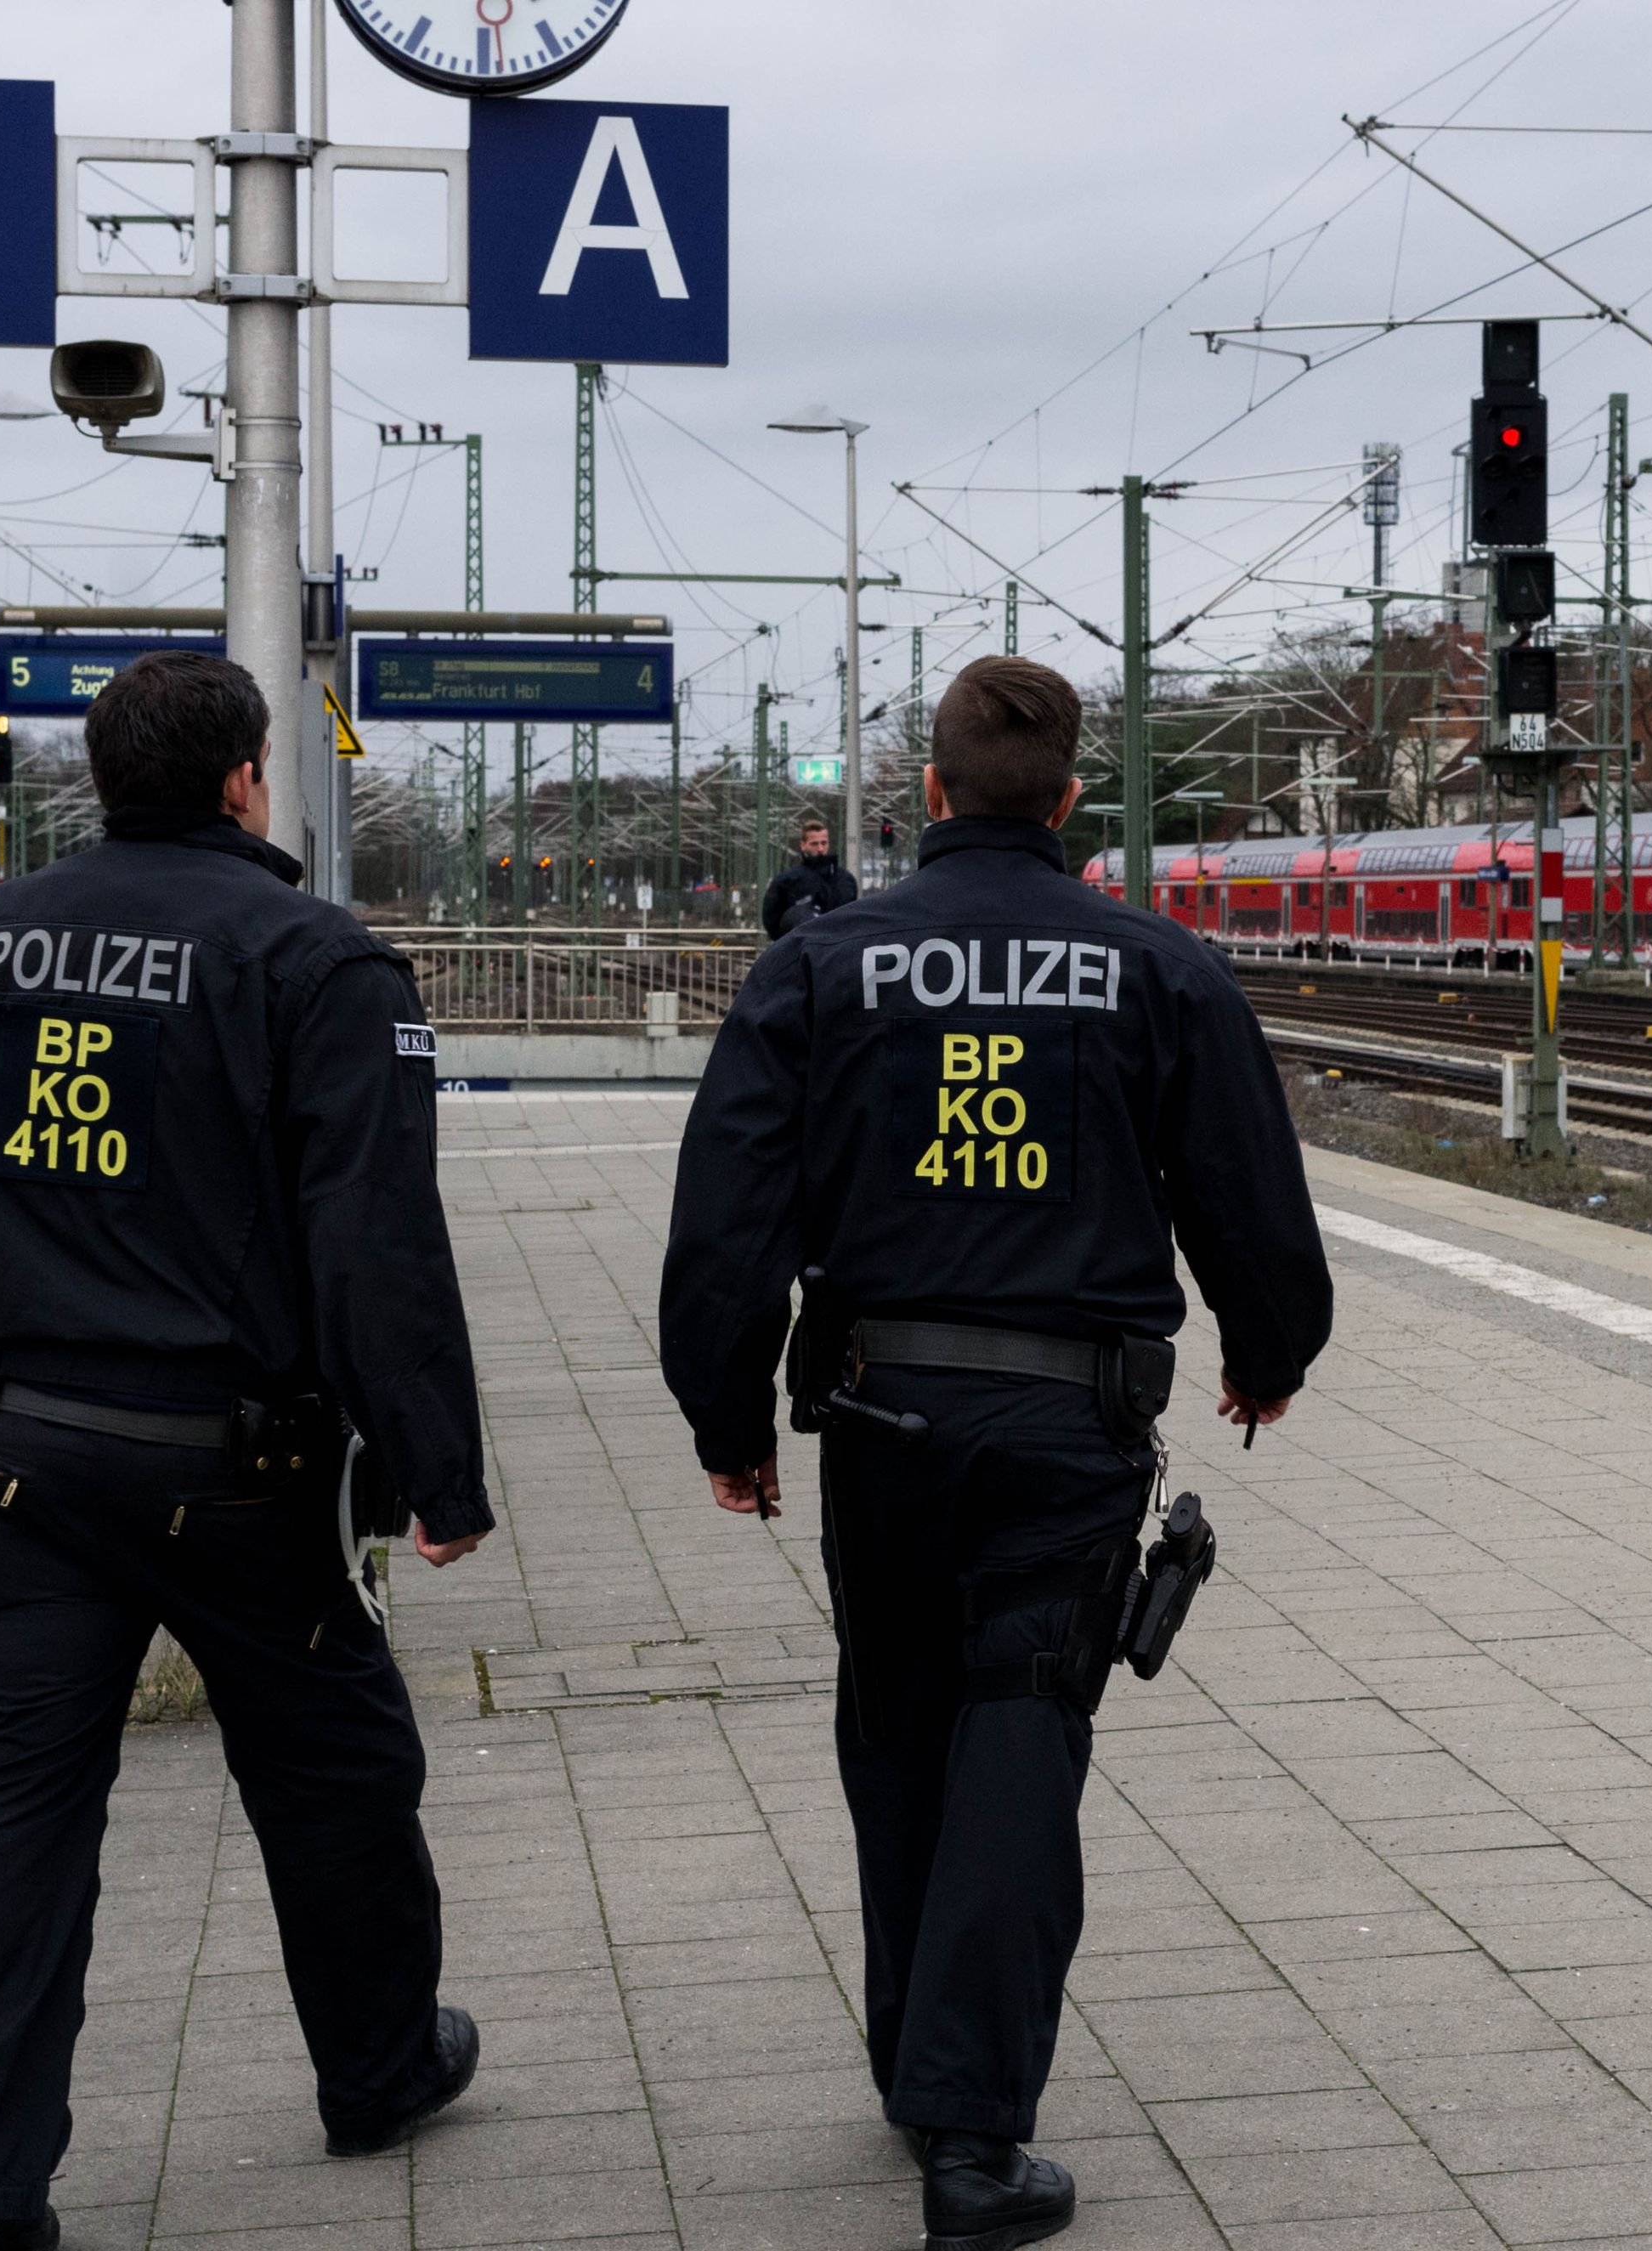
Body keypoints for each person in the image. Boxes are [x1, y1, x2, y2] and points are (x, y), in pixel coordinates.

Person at [660, 654, 1332, 2250]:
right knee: (1021, 1731)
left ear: (929, 793)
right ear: (1072, 801)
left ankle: (921, 2060)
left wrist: (725, 1417)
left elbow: (729, 1216)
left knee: (896, 1725)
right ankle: (970, 2133)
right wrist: (1268, 1353)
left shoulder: (822, 966)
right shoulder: (1160, 969)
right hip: (1065, 1428)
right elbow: (1248, 1196)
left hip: (881, 1417)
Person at [0, 651, 495, 2250]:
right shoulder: (318, 961)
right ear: (246, 779)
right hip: (243, 1476)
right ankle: (379, 2068)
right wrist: (438, 1469)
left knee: (0, 1815)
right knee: (338, 1776)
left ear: (101, 775)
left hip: (17, 1462)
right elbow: (375, 1242)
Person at [761, 813, 860, 936]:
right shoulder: (786, 881)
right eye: (814, 844)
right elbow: (772, 921)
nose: (820, 849)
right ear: (803, 845)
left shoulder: (845, 880)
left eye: (824, 843)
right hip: (804, 942)